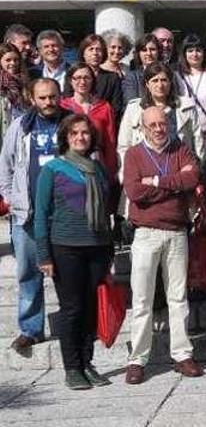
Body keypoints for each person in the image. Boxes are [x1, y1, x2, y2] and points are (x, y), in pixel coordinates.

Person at [122, 107, 203, 384]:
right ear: (142, 128)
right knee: (142, 299)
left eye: (163, 123)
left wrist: (155, 181)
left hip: (177, 231)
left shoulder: (181, 149)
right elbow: (134, 192)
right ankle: (137, 359)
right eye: (152, 124)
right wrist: (173, 186)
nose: (158, 129)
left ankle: (182, 354)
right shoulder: (134, 155)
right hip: (145, 233)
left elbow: (192, 178)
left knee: (178, 297)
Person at [34, 114, 113, 390]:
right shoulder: (53, 169)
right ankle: (72, 367)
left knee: (91, 308)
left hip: (97, 248)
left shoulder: (97, 169)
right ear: (66, 138)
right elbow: (41, 214)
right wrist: (44, 255)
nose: (81, 137)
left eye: (85, 133)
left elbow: (106, 213)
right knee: (72, 309)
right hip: (66, 248)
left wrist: (109, 250)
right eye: (75, 133)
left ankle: (87, 363)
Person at [0, 78, 69, 354]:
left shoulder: (71, 123)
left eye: (52, 97)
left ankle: (74, 325)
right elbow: (5, 165)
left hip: (64, 213)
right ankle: (30, 329)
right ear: (33, 98)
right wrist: (10, 198)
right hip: (27, 214)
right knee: (28, 272)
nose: (48, 102)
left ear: (59, 95)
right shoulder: (20, 126)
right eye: (42, 98)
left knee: (67, 274)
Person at [118, 62, 203, 167]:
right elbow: (124, 146)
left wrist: (198, 168)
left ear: (170, 82)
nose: (160, 85)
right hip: (144, 170)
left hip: (180, 170)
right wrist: (126, 174)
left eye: (164, 80)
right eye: (155, 81)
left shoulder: (186, 107)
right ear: (147, 84)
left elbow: (198, 141)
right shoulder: (134, 109)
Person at [60, 63, 118, 178]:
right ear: (70, 81)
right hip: (70, 162)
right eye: (77, 78)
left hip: (97, 163)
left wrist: (111, 171)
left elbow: (110, 141)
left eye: (86, 77)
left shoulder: (104, 106)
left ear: (93, 80)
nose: (82, 82)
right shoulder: (63, 106)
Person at [63, 35, 123, 118]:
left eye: (98, 50)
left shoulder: (112, 78)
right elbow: (67, 101)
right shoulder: (73, 74)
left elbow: (116, 107)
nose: (95, 53)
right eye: (91, 49)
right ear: (83, 53)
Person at [175, 34, 206, 139]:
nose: (195, 54)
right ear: (184, 54)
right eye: (190, 51)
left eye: (198, 50)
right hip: (185, 134)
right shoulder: (177, 77)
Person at [0, 43, 30, 139]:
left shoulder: (25, 83)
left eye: (16, 60)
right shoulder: (2, 85)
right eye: (8, 60)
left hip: (20, 133)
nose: (13, 63)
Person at [122, 34, 161, 104]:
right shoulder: (132, 77)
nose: (148, 53)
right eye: (144, 50)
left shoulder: (167, 74)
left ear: (158, 51)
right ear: (139, 54)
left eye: (152, 49)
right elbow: (131, 102)